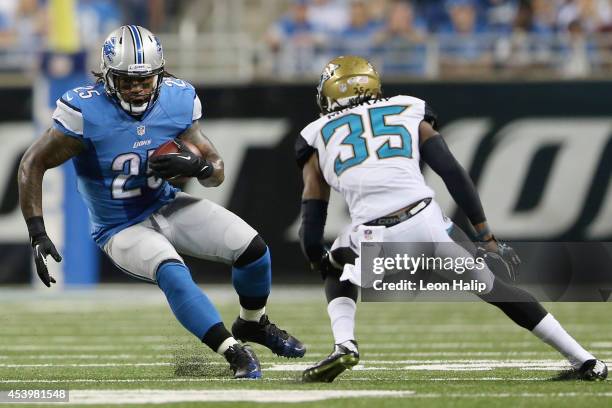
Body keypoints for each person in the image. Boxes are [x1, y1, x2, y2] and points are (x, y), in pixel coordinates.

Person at [295, 55, 608, 382]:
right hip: (428, 225)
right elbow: (452, 172)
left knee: (337, 267)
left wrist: (318, 258)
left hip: (375, 239)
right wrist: (485, 235)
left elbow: (312, 218)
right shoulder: (407, 109)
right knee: (497, 290)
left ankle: (345, 344)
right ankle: (585, 360)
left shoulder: (315, 135)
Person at [18, 25, 305, 379]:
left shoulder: (178, 99)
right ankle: (233, 351)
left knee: (253, 249)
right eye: (127, 81)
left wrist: (198, 165)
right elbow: (33, 163)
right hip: (119, 226)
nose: (137, 89)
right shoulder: (84, 110)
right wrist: (36, 230)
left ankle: (253, 324)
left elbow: (216, 172)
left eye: (145, 80)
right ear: (108, 77)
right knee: (172, 270)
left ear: (160, 74)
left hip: (165, 203)